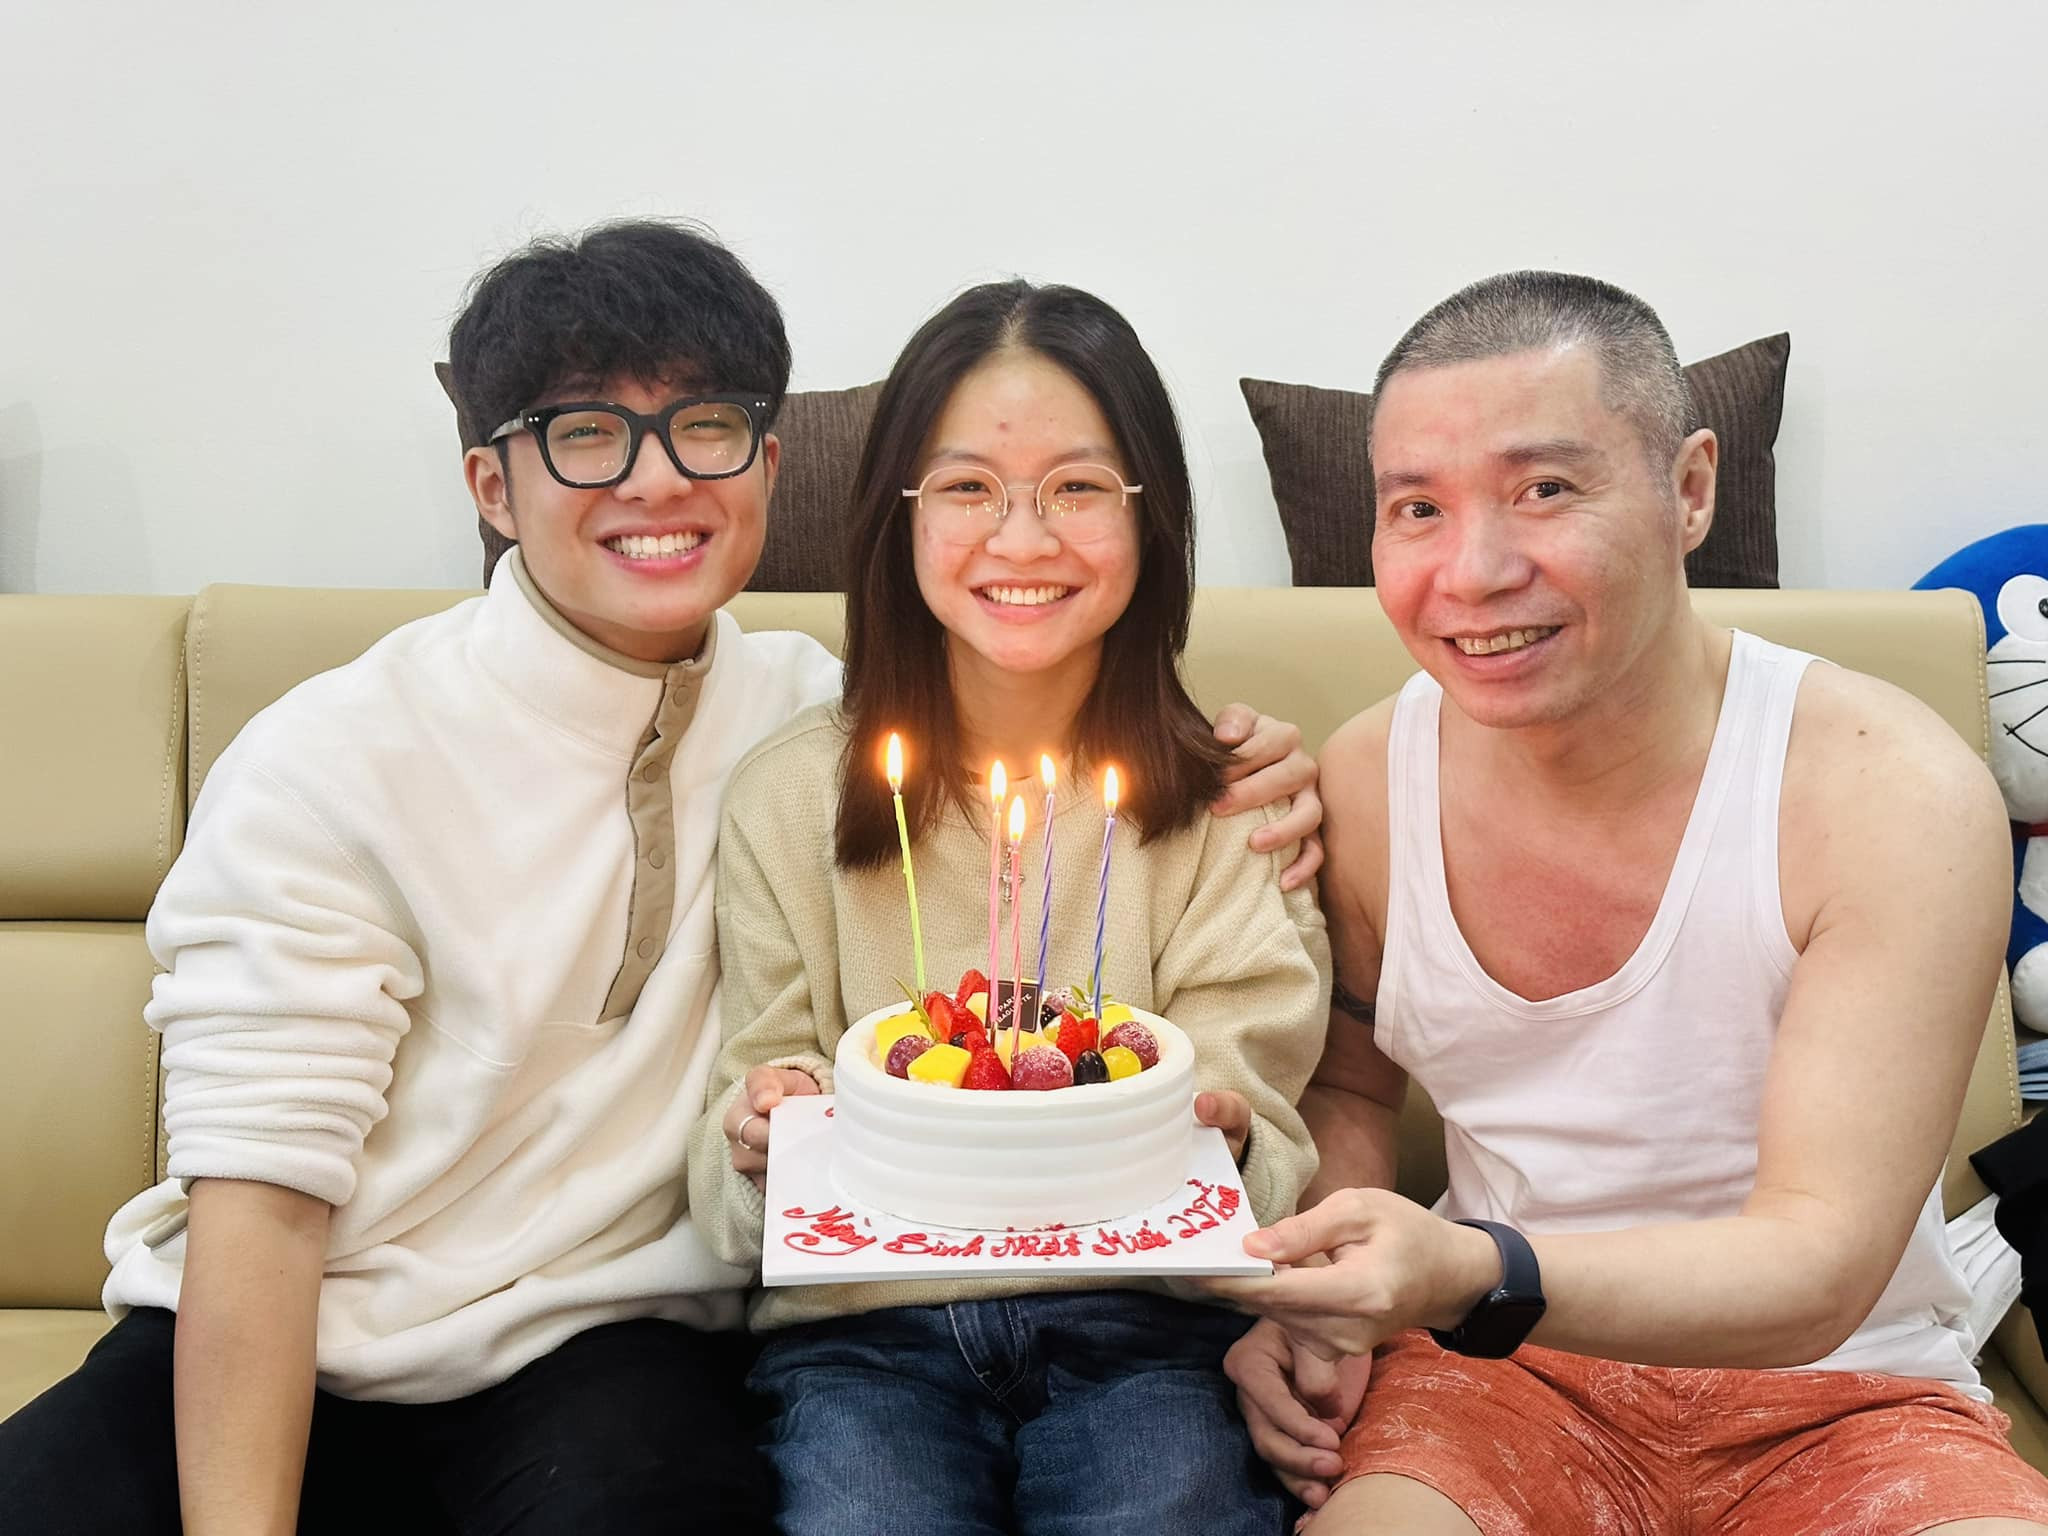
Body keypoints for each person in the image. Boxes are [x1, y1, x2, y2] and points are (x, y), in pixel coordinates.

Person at [0, 222, 1321, 1536]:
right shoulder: (334, 761)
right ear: (490, 485)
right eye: (585, 433)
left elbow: (1035, 740)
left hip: (599, 1361)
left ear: (767, 464)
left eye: (703, 427)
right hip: (290, 1336)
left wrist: (1250, 768)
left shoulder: (796, 716)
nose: (655, 481)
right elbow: (261, 1203)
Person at [1210, 270, 2048, 1535]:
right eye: (1417, 508)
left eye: (1544, 489)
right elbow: (1352, 1088)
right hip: (1495, 1382)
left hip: (1844, 1396)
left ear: (1689, 487)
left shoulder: (1886, 788)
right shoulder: (1371, 777)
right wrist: (1316, 1295)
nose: (1473, 572)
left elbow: (1816, 1264)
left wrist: (1467, 1270)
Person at [685, 279, 1334, 1535]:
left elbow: (1261, 1131)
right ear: (897, 515)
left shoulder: (1231, 804)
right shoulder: (788, 797)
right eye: (968, 487)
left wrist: (1221, 1141)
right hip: (864, 1338)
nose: (1022, 540)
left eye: (1077, 487)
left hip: (1140, 1329)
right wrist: (761, 1135)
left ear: (1151, 515)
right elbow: (742, 1136)